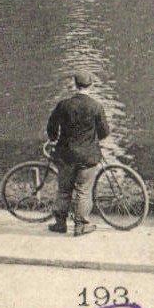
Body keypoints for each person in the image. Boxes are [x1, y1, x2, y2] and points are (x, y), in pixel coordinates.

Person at [46, 70, 109, 237]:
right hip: (88, 156)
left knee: (64, 190)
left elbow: (52, 126)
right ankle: (81, 226)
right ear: (91, 85)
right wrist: (93, 139)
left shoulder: (64, 104)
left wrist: (53, 139)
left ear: (74, 84)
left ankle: (60, 223)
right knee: (83, 191)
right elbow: (104, 132)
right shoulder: (96, 106)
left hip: (66, 155)